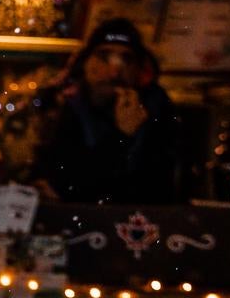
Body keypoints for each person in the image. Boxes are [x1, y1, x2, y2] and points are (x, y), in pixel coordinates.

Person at [30, 17, 180, 203]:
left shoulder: (157, 110)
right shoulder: (62, 108)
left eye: (126, 59)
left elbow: (160, 190)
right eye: (104, 57)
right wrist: (120, 137)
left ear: (139, 69)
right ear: (85, 63)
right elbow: (67, 186)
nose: (115, 71)